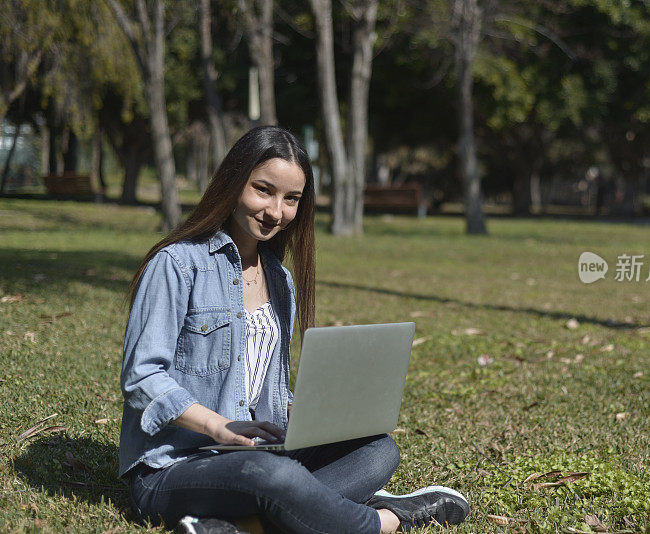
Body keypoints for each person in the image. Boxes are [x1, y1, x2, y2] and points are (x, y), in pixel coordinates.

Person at [119, 126, 470, 534]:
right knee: (274, 477)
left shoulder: (280, 280)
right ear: (233, 184)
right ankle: (388, 519)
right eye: (263, 190)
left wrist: (311, 416)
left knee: (378, 451)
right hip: (175, 467)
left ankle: (235, 525)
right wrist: (219, 426)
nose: (275, 211)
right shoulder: (177, 264)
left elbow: (264, 386)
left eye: (292, 199)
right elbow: (142, 378)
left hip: (258, 455)